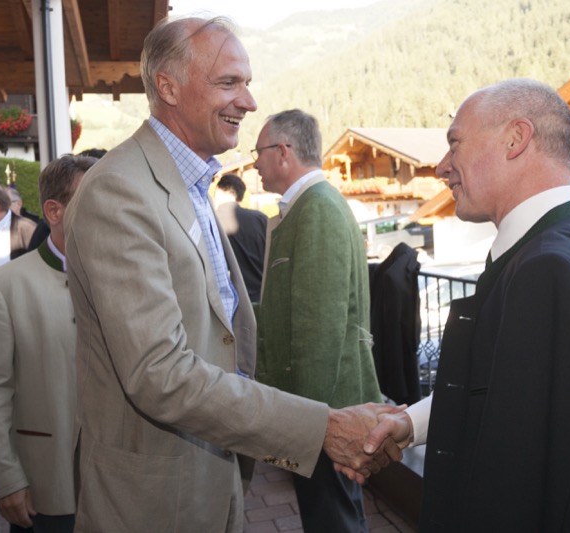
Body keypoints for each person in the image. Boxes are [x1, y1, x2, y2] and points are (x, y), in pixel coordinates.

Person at [63, 15, 399, 532]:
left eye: (247, 82)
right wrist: (322, 428)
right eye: (228, 83)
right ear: (168, 88)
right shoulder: (120, 190)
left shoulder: (191, 184)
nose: (249, 101)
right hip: (157, 502)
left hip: (213, 477)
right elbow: (160, 373)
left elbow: (221, 330)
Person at [352, 79, 570, 532]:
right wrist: (411, 423)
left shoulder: (545, 269)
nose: (442, 167)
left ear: (516, 139)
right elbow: (519, 395)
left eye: (455, 144)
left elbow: (524, 480)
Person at [253, 109, 383, 532]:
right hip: (325, 410)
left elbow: (319, 331)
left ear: (283, 152)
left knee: (333, 520)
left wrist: (307, 428)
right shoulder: (311, 206)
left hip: (325, 411)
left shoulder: (317, 209)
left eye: (258, 152)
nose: (254, 164)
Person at [0, 154, 97, 533]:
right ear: (54, 211)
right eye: (94, 199)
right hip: (51, 488)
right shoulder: (5, 286)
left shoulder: (132, 275)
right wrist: (6, 479)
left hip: (125, 485)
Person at [215, 173, 267, 302]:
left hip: (231, 301)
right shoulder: (260, 219)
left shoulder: (214, 223)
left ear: (229, 192)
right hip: (262, 296)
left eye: (216, 194)